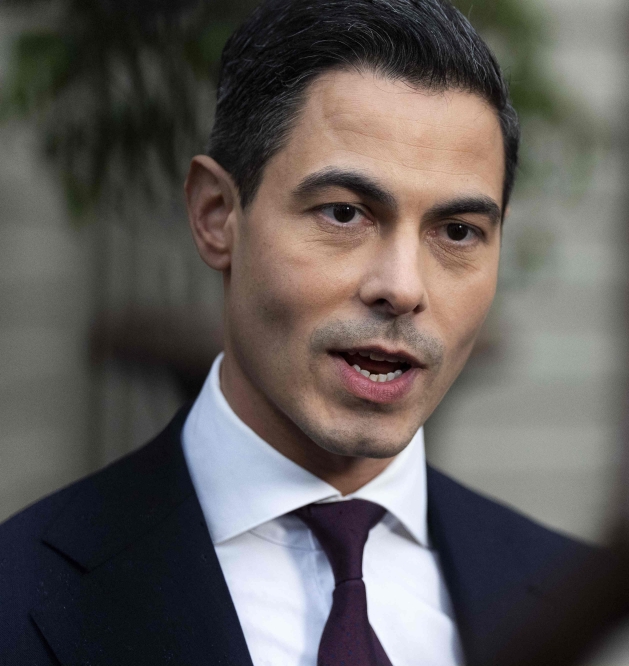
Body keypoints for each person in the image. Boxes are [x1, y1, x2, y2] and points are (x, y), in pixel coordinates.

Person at [0, 2, 589, 665]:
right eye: (344, 213)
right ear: (217, 214)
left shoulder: (579, 607)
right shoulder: (19, 602)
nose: (403, 286)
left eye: (457, 232)